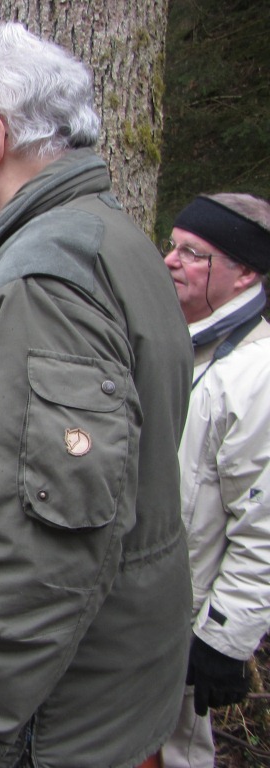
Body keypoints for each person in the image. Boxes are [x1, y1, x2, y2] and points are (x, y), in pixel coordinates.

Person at [0, 22, 195, 768]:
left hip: (38, 727)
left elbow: (46, 545)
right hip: (94, 705)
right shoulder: (113, 239)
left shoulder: (44, 282)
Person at [159, 193, 270, 768]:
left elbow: (263, 527)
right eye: (172, 246)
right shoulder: (186, 342)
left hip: (188, 621)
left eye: (193, 253)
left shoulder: (257, 374)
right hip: (143, 609)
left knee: (172, 750)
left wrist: (224, 640)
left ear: (245, 269)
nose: (171, 260)